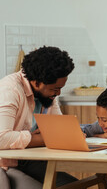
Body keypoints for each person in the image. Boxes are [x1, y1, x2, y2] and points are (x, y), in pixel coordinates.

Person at [0, 46, 77, 189]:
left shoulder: (48, 92)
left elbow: (59, 129)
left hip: (30, 160)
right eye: (55, 89)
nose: (58, 93)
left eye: (60, 88)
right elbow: (1, 138)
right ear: (36, 83)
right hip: (5, 163)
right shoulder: (9, 90)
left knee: (76, 186)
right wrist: (39, 138)